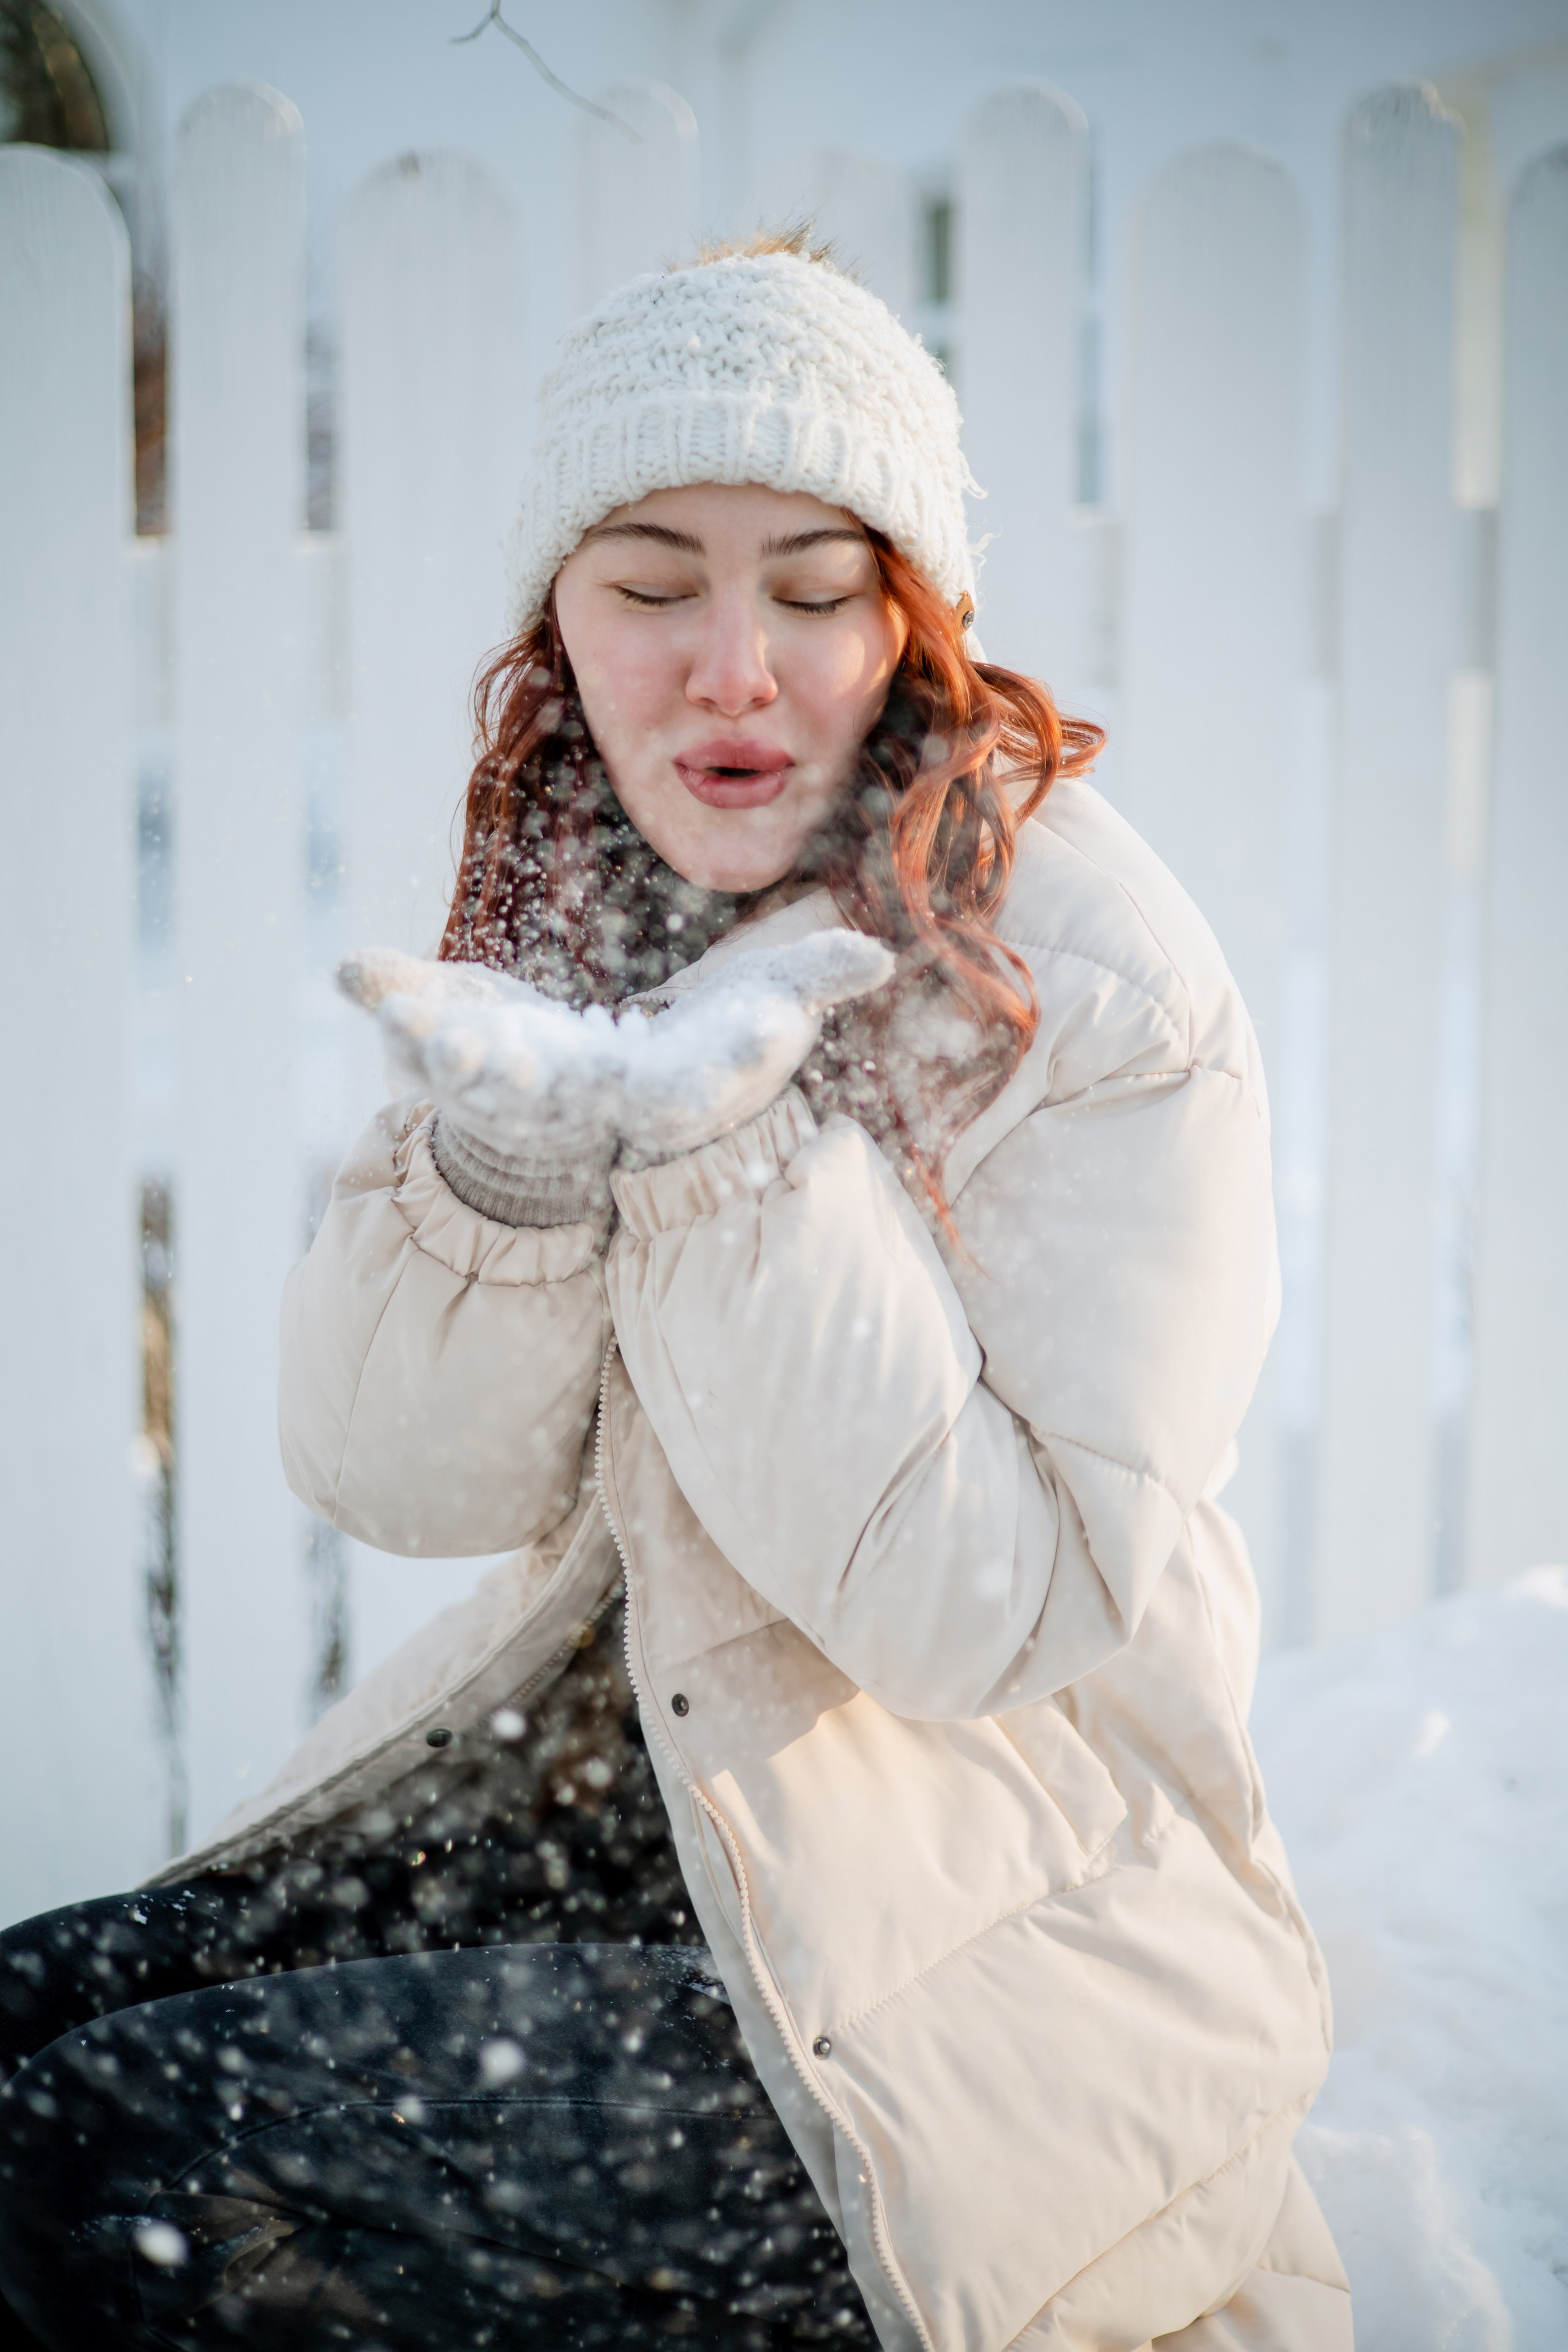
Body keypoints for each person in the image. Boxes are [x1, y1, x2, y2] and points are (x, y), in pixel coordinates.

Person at [0, 233, 1352, 2352]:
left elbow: (988, 1612)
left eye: (812, 590)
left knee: (116, 2143)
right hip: (640, 1845)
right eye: (651, 584)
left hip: (998, 1954)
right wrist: (517, 1161)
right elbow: (387, 1473)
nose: (733, 662)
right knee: (21, 2040)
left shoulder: (1096, 985)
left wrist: (738, 1157)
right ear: (563, 615)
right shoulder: (577, 886)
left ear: (914, 620)